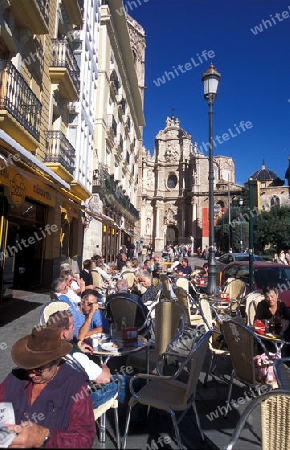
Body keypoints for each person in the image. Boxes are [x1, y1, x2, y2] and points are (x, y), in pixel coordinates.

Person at [0, 326, 95, 448]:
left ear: (56, 361)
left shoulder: (74, 385)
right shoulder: (15, 378)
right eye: (27, 366)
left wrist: (44, 437)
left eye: (38, 369)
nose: (30, 374)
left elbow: (84, 439)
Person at [47, 310, 130, 408]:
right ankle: (138, 418)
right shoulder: (75, 356)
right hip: (80, 401)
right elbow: (104, 378)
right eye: (72, 327)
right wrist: (104, 366)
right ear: (64, 333)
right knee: (126, 381)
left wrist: (77, 346)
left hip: (57, 398)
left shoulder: (45, 347)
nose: (74, 329)